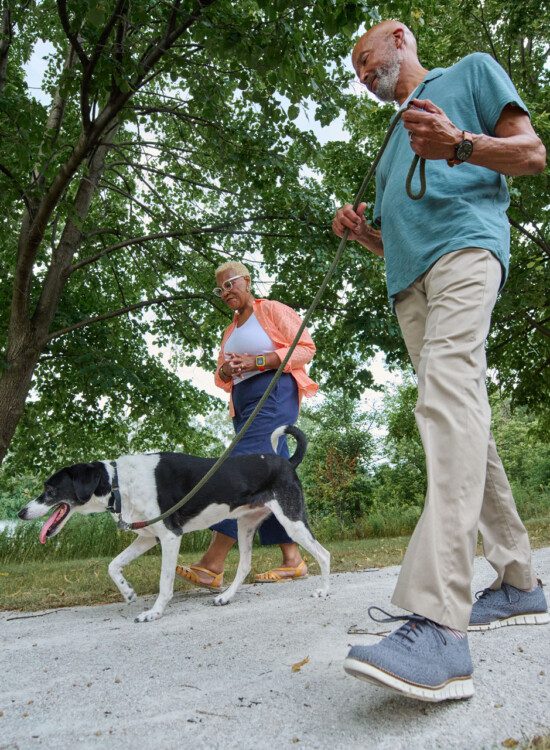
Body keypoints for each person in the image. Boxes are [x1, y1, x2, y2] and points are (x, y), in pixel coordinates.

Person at [332, 19, 548, 702]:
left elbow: (532, 155)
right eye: (358, 72)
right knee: (460, 419)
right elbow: (401, 233)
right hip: (410, 286)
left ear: (399, 38)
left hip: (466, 253)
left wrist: (460, 142)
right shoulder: (393, 138)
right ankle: (517, 582)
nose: (365, 75)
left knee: (445, 403)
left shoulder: (472, 74)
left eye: (368, 59)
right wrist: (368, 234)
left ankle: (439, 623)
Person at [176, 260, 318, 589]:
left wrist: (257, 361)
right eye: (220, 288)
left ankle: (212, 563)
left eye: (231, 284)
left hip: (274, 394)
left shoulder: (271, 310)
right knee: (272, 478)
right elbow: (220, 376)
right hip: (244, 402)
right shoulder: (231, 329)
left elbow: (305, 348)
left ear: (247, 281)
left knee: (241, 472)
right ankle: (293, 560)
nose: (226, 292)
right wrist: (227, 371)